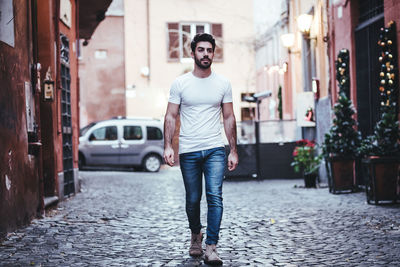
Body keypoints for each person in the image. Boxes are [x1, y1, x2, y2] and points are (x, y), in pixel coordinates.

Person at [163, 33, 238, 265]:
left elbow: (228, 117)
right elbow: (170, 116)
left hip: (215, 148)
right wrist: (167, 145)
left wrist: (232, 149)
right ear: (193, 52)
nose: (206, 54)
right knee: (193, 199)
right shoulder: (180, 83)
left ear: (213, 53)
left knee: (215, 196)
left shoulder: (223, 83)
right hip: (189, 150)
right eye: (201, 50)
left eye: (209, 50)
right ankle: (196, 234)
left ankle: (211, 247)